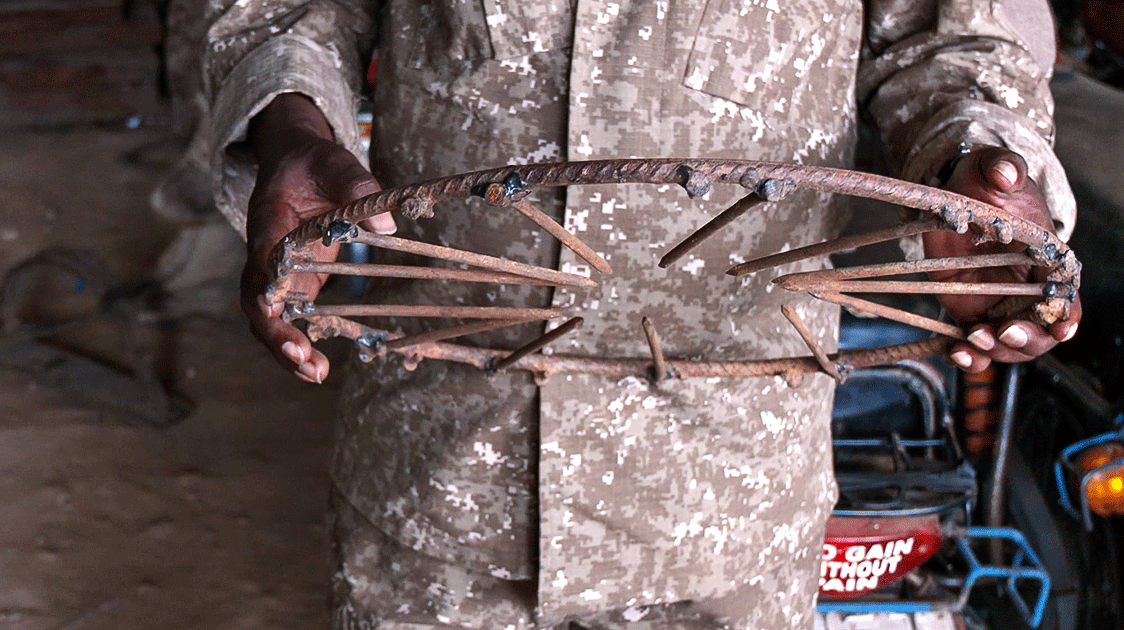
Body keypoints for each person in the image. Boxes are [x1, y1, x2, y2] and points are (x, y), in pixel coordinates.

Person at [200, 1, 1082, 628]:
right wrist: (293, 129)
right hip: (443, 486)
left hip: (730, 507)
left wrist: (985, 170)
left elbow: (951, 37)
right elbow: (289, 13)